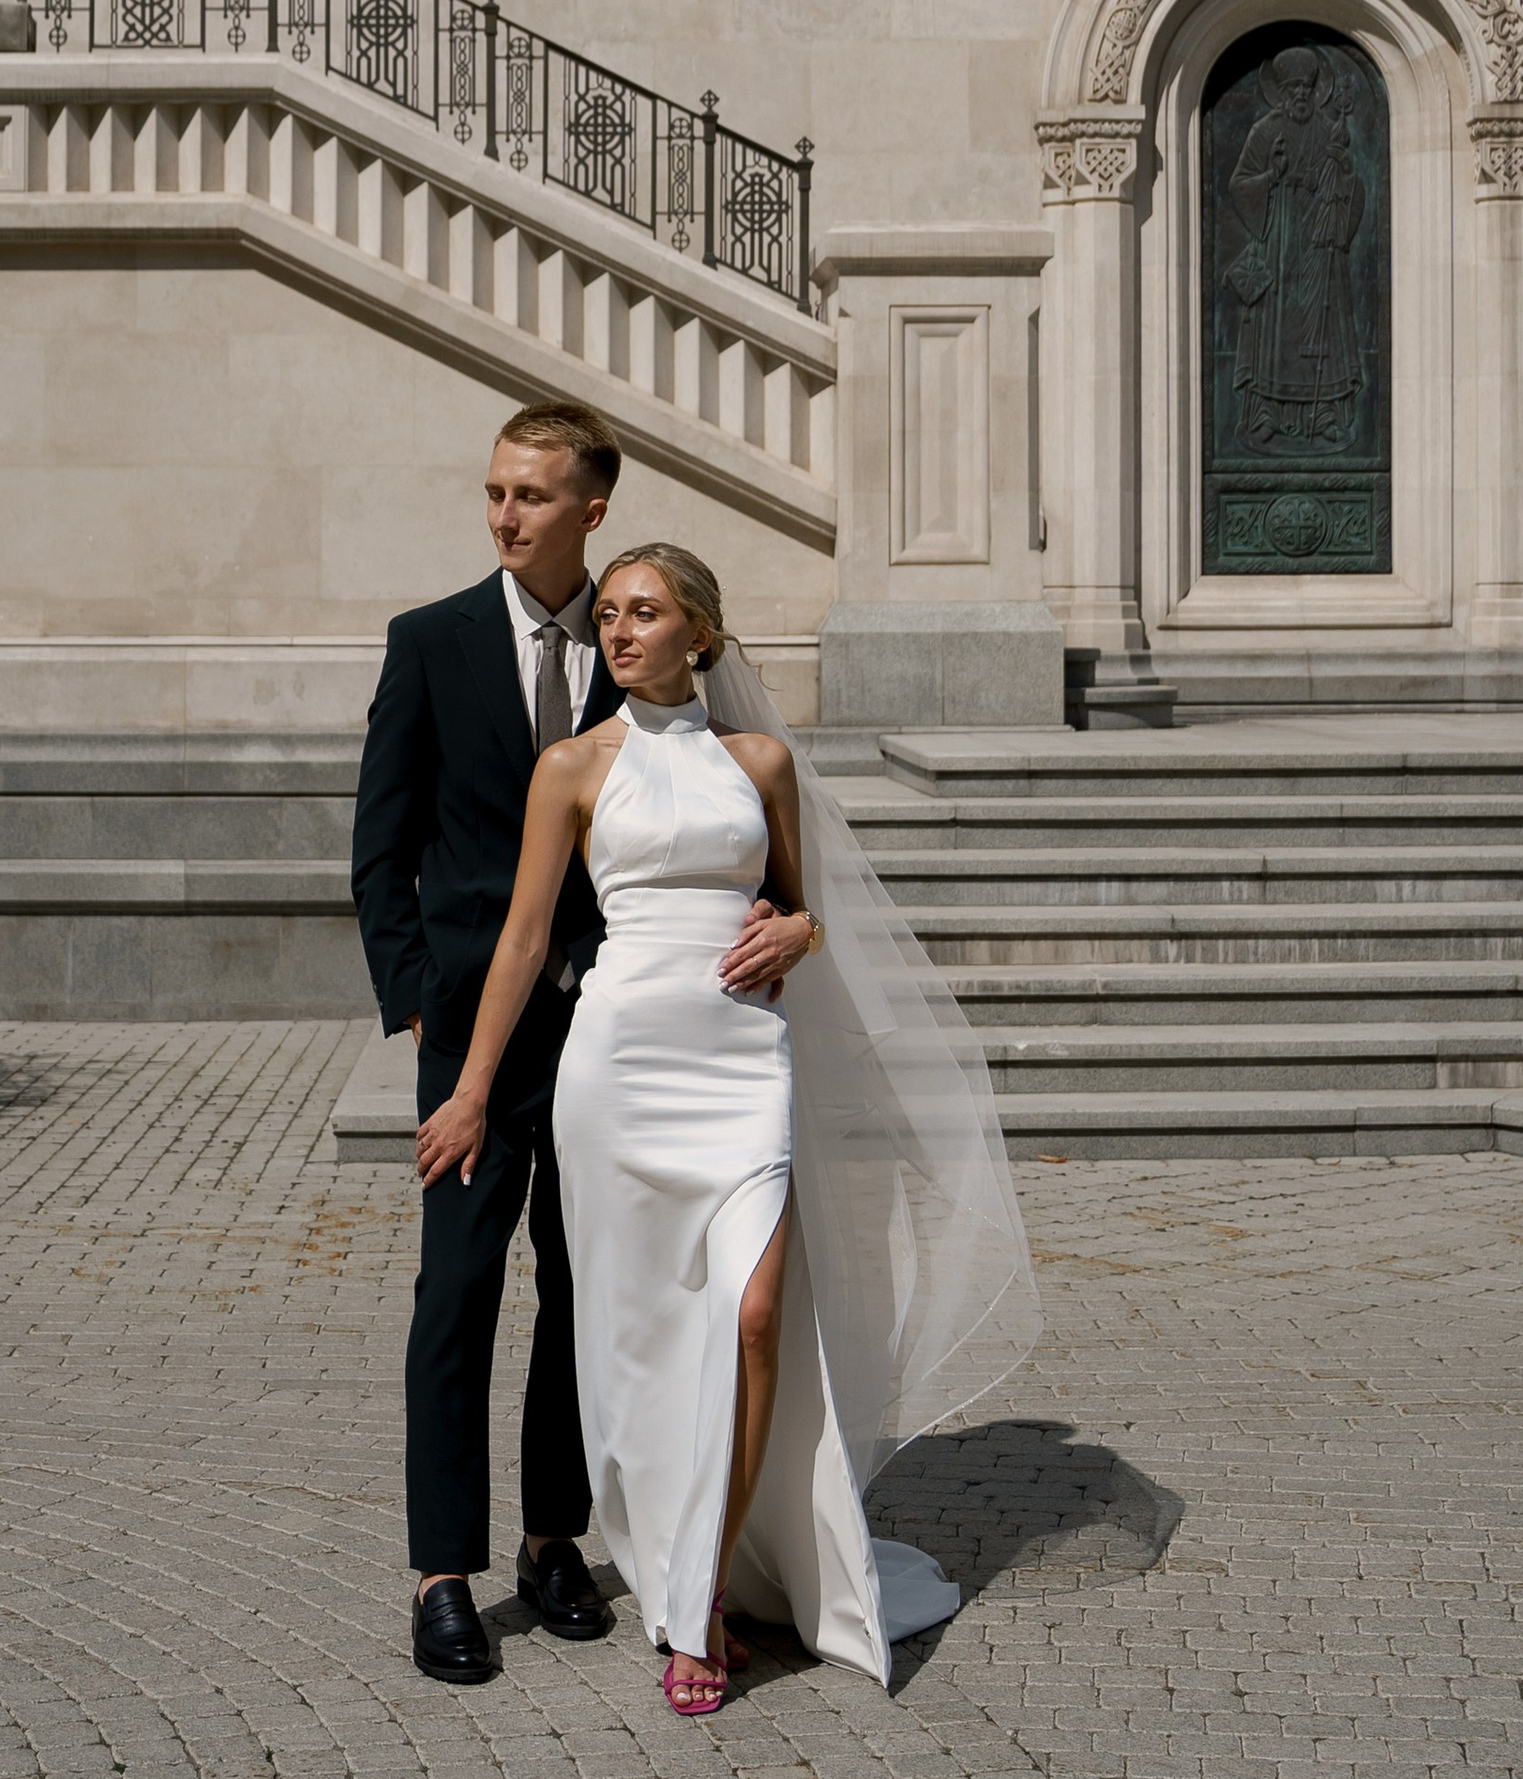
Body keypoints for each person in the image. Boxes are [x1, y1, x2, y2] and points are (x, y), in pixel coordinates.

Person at [416, 539, 1043, 1716]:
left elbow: (804, 907)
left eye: (644, 613)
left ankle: (701, 1592)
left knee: (756, 1314)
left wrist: (796, 937)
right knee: (645, 1335)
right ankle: (675, 1560)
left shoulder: (761, 760)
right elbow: (521, 937)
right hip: (616, 1072)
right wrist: (468, 1086)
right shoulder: (570, 765)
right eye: (608, 613)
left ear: (699, 632)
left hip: (742, 1061)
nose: (618, 630)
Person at [350, 403, 819, 1689]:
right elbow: (378, 849)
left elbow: (756, 869)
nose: (505, 514)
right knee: (456, 1289)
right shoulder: (431, 641)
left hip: (621, 1028)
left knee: (584, 1290)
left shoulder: (652, 678)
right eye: (494, 490)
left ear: (590, 507)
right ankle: (443, 1572)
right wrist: (421, 1018)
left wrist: (789, 924)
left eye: (531, 496)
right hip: (482, 1030)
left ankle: (553, 1538)